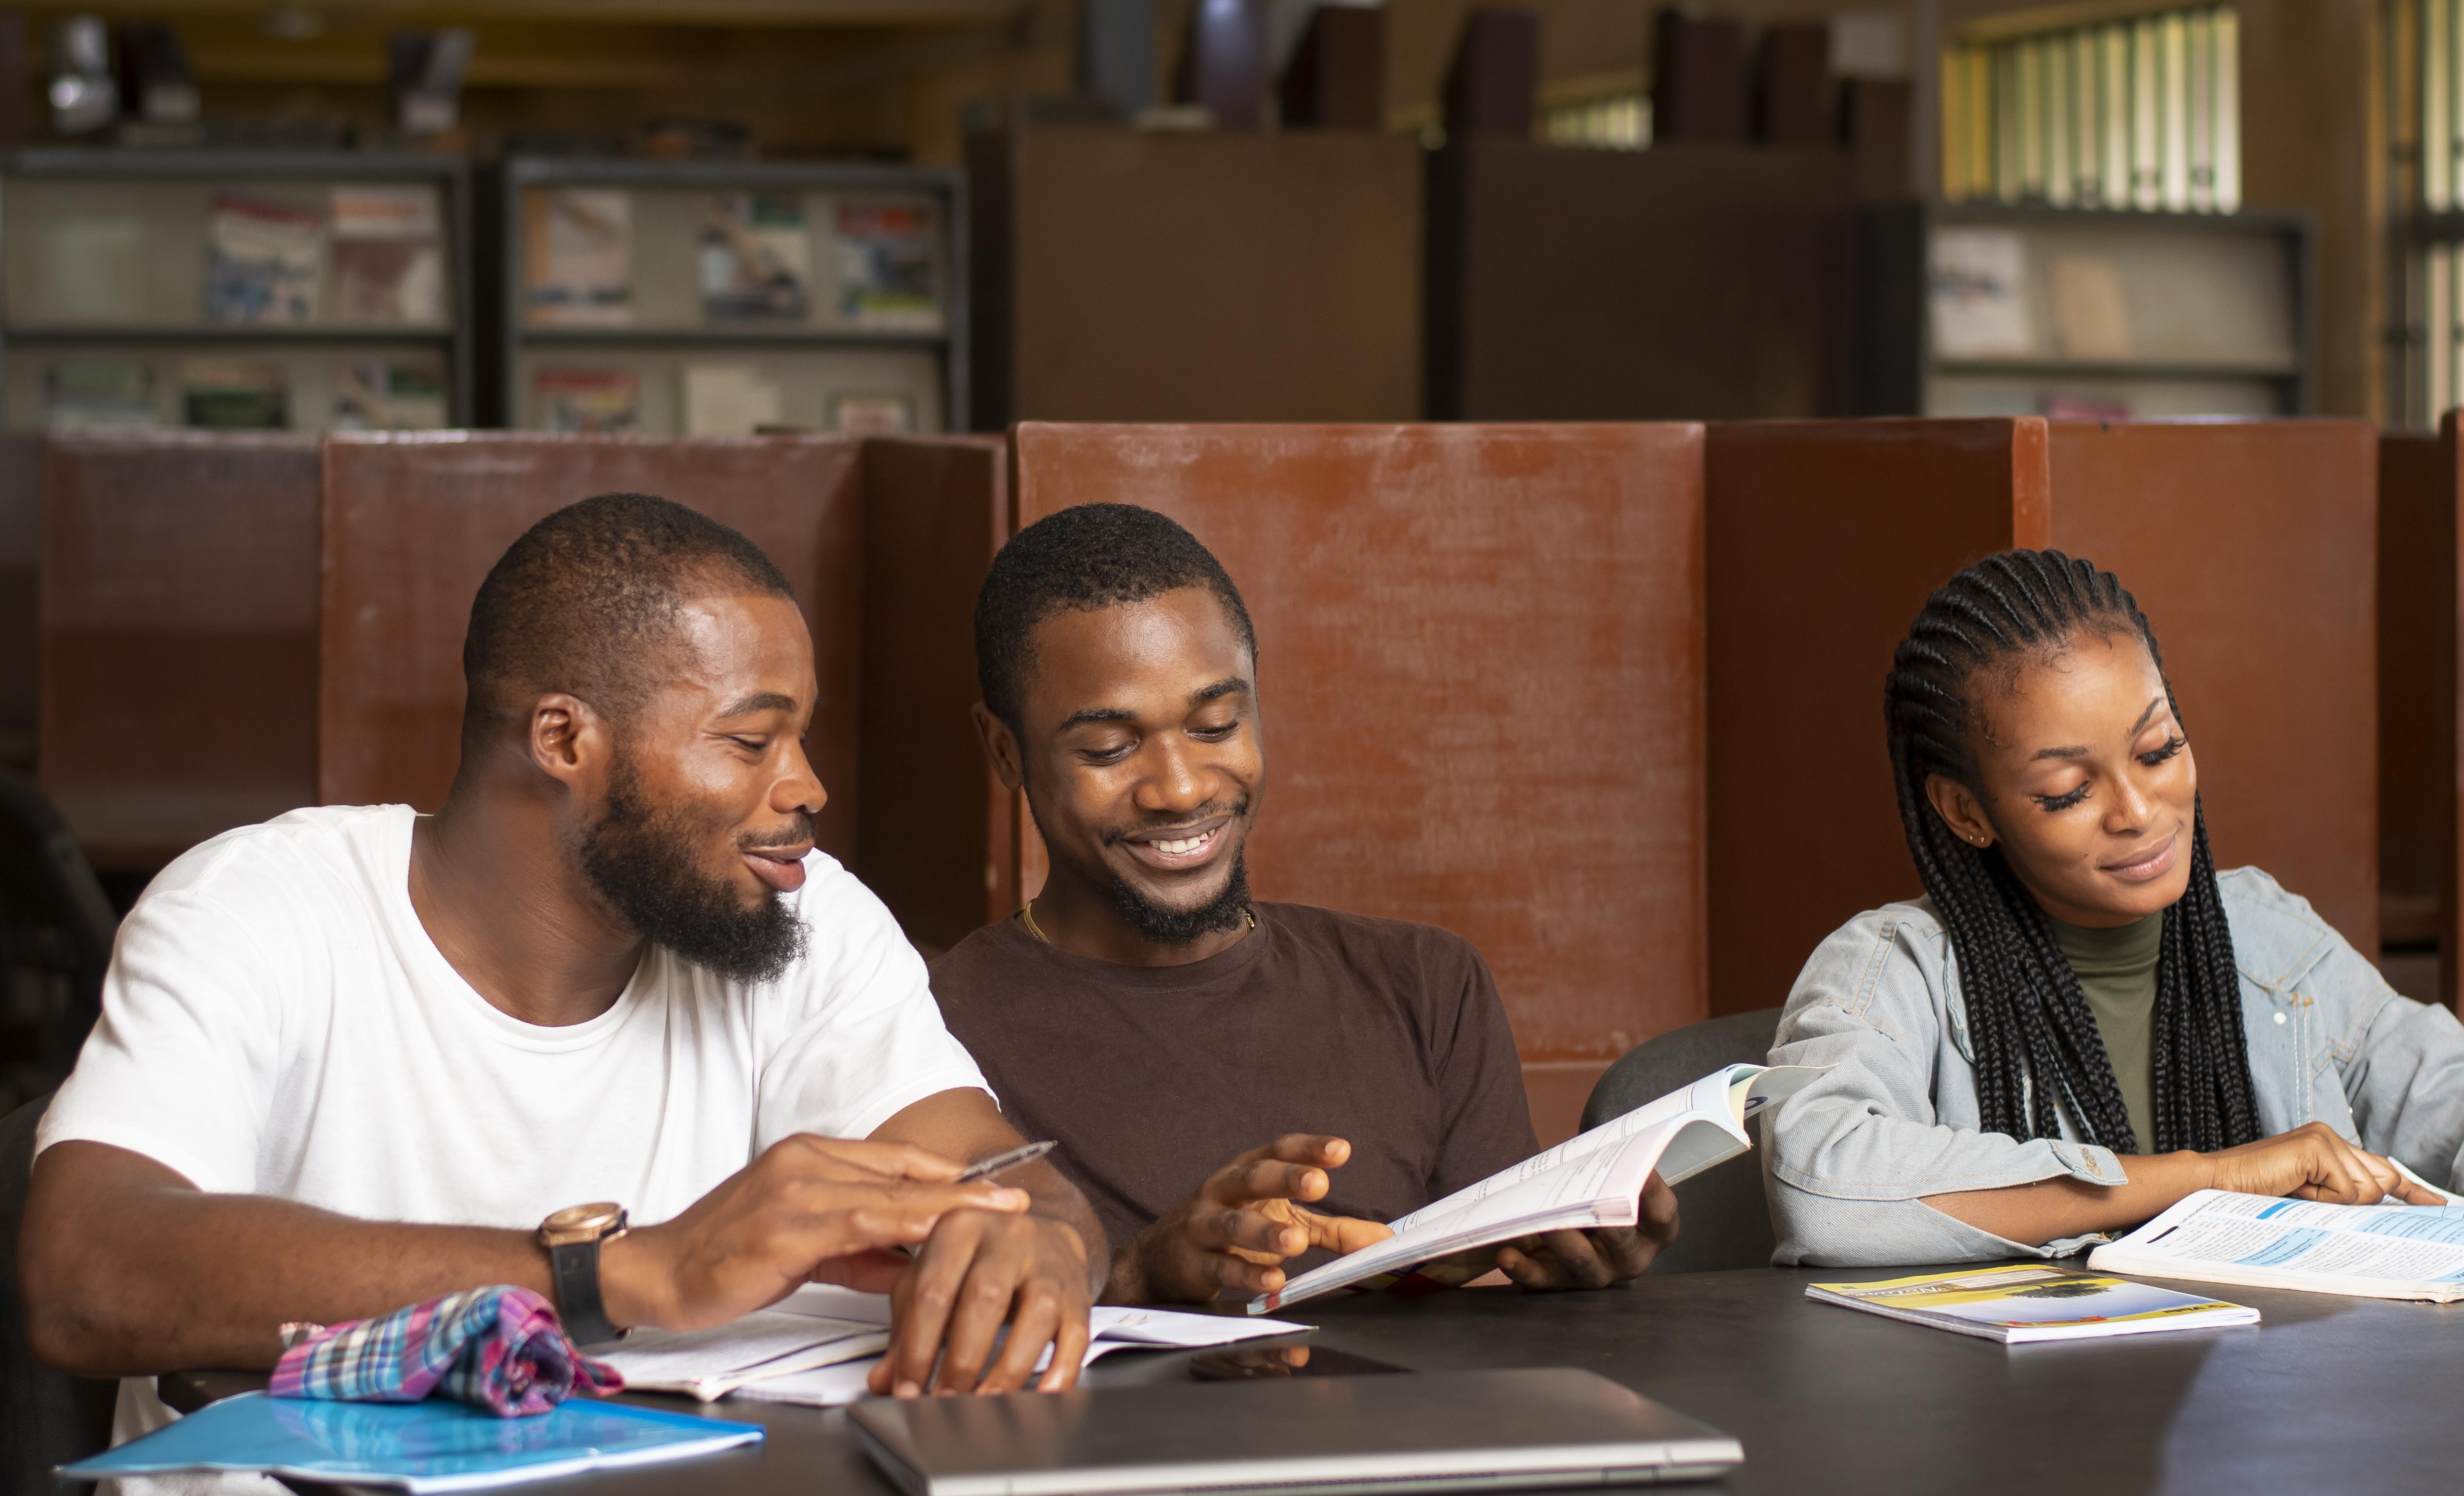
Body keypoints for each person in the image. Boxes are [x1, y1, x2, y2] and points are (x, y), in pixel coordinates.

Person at [25, 494, 1107, 1469]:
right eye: (748, 741)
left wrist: (1038, 1236)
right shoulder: (258, 910)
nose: (806, 786)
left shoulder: (804, 913)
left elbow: (997, 1171)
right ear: (562, 738)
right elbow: (86, 1270)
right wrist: (627, 1275)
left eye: (801, 736)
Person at [927, 502, 1676, 1306]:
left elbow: (1494, 1302)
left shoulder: (1423, 983)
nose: (1180, 789)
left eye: (1216, 725)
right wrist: (1138, 1276)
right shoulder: (926, 1029)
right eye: (1109, 748)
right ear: (1005, 750)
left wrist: (1574, 1261)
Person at [1765, 548, 2464, 1266]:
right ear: (1965, 808)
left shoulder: (2271, 943)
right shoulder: (1894, 969)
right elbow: (1820, 1185)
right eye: (2068, 790)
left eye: (2157, 749)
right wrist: (2208, 1179)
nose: (2136, 810)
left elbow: (2443, 1094)